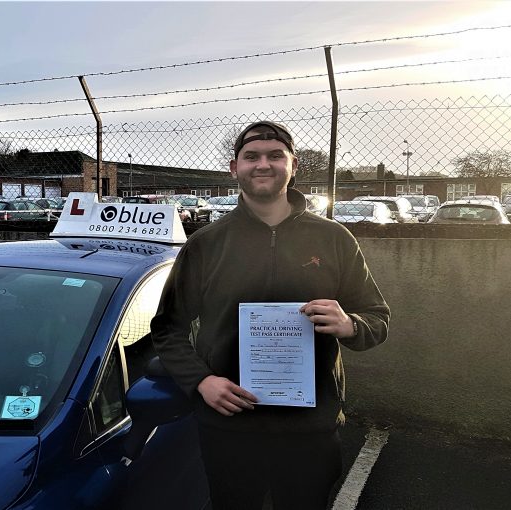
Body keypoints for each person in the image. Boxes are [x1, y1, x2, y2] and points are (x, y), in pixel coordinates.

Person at [150, 121, 390, 510]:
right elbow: (167, 328)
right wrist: (201, 381)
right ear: (234, 168)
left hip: (310, 428)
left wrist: (350, 325)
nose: (263, 164)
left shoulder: (334, 239)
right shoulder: (206, 244)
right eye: (252, 157)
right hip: (229, 425)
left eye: (275, 156)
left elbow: (377, 317)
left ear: (293, 166)